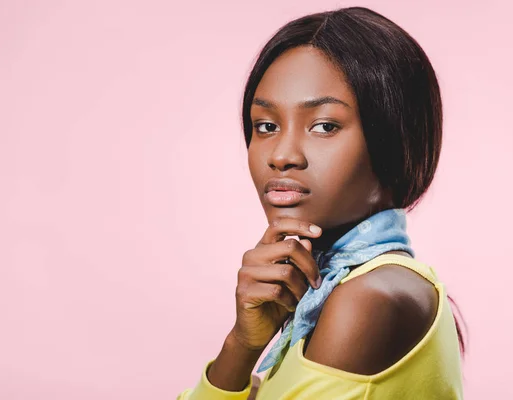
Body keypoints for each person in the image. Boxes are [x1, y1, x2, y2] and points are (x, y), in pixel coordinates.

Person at [177, 6, 464, 399]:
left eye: (324, 126)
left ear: (395, 139)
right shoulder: (330, 293)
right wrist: (243, 345)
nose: (281, 155)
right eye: (266, 126)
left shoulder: (369, 299)